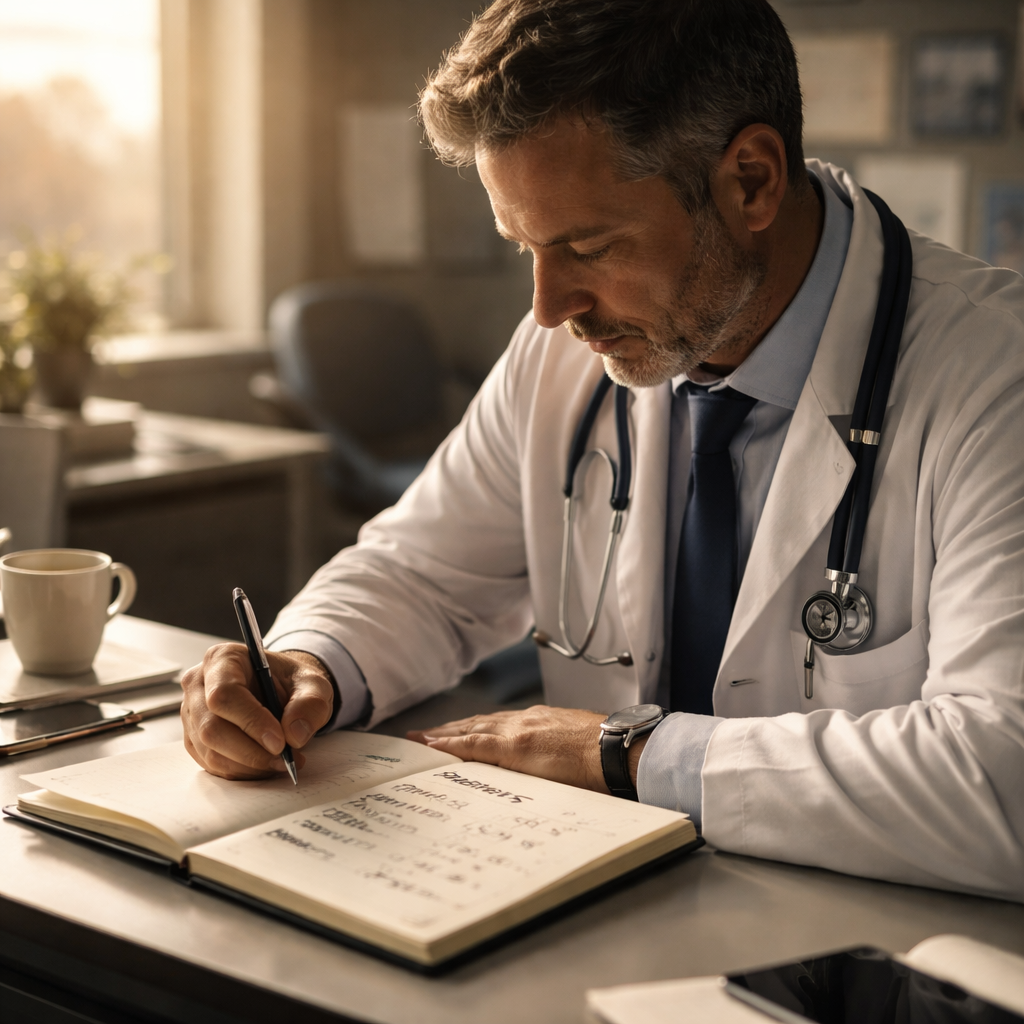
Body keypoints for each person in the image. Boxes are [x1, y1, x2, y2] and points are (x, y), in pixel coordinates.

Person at [181, 0, 1024, 901]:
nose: (549, 308)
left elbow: (1003, 778)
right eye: (525, 247)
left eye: (588, 245)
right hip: (607, 906)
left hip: (876, 935)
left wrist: (623, 754)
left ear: (750, 181)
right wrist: (307, 662)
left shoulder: (995, 376)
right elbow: (422, 572)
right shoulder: (566, 350)